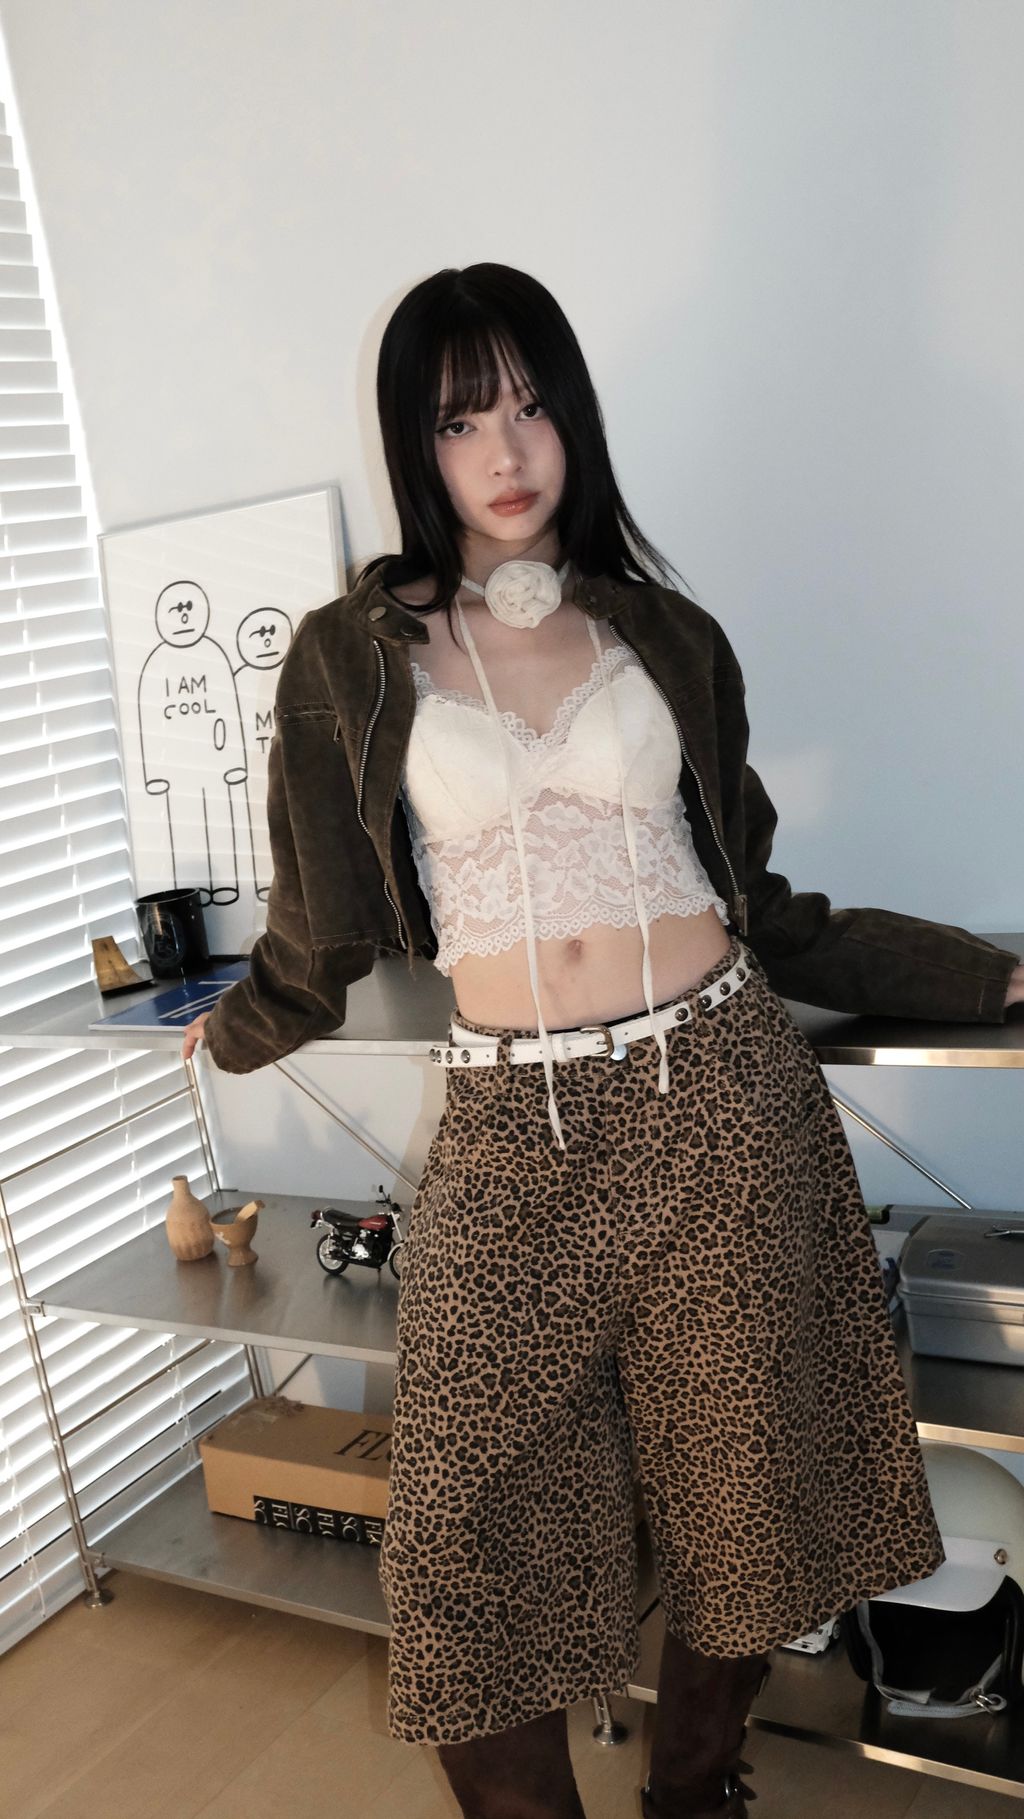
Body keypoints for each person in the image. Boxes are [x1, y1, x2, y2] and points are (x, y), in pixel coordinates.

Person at [181, 263, 1024, 1819]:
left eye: (531, 405)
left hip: (723, 1100)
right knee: (461, 1552)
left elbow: (762, 901)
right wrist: (238, 1028)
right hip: (517, 1131)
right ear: (415, 445)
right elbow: (319, 924)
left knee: (747, 1503)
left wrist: (983, 978)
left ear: (573, 417)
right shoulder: (348, 655)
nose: (506, 450)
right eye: (460, 420)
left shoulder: (669, 636)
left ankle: (696, 1790)